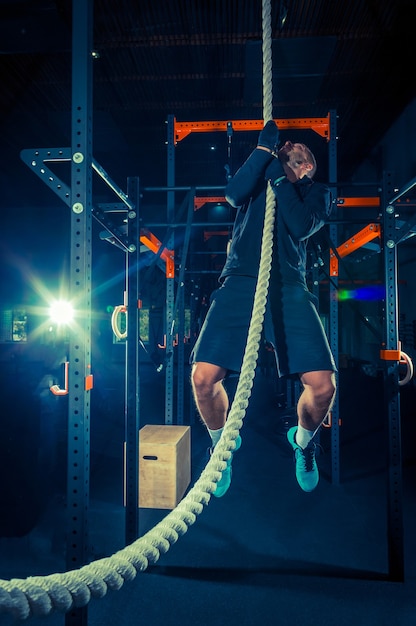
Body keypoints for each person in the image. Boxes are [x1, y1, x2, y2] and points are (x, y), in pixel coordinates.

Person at [190, 120, 337, 496]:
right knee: (203, 379)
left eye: (301, 151)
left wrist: (281, 180)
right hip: (239, 280)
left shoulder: (315, 192)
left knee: (323, 387)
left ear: (308, 166)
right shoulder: (261, 175)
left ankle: (304, 442)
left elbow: (301, 225)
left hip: (288, 287)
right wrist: (261, 152)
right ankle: (221, 446)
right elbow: (232, 194)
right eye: (288, 147)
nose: (292, 147)